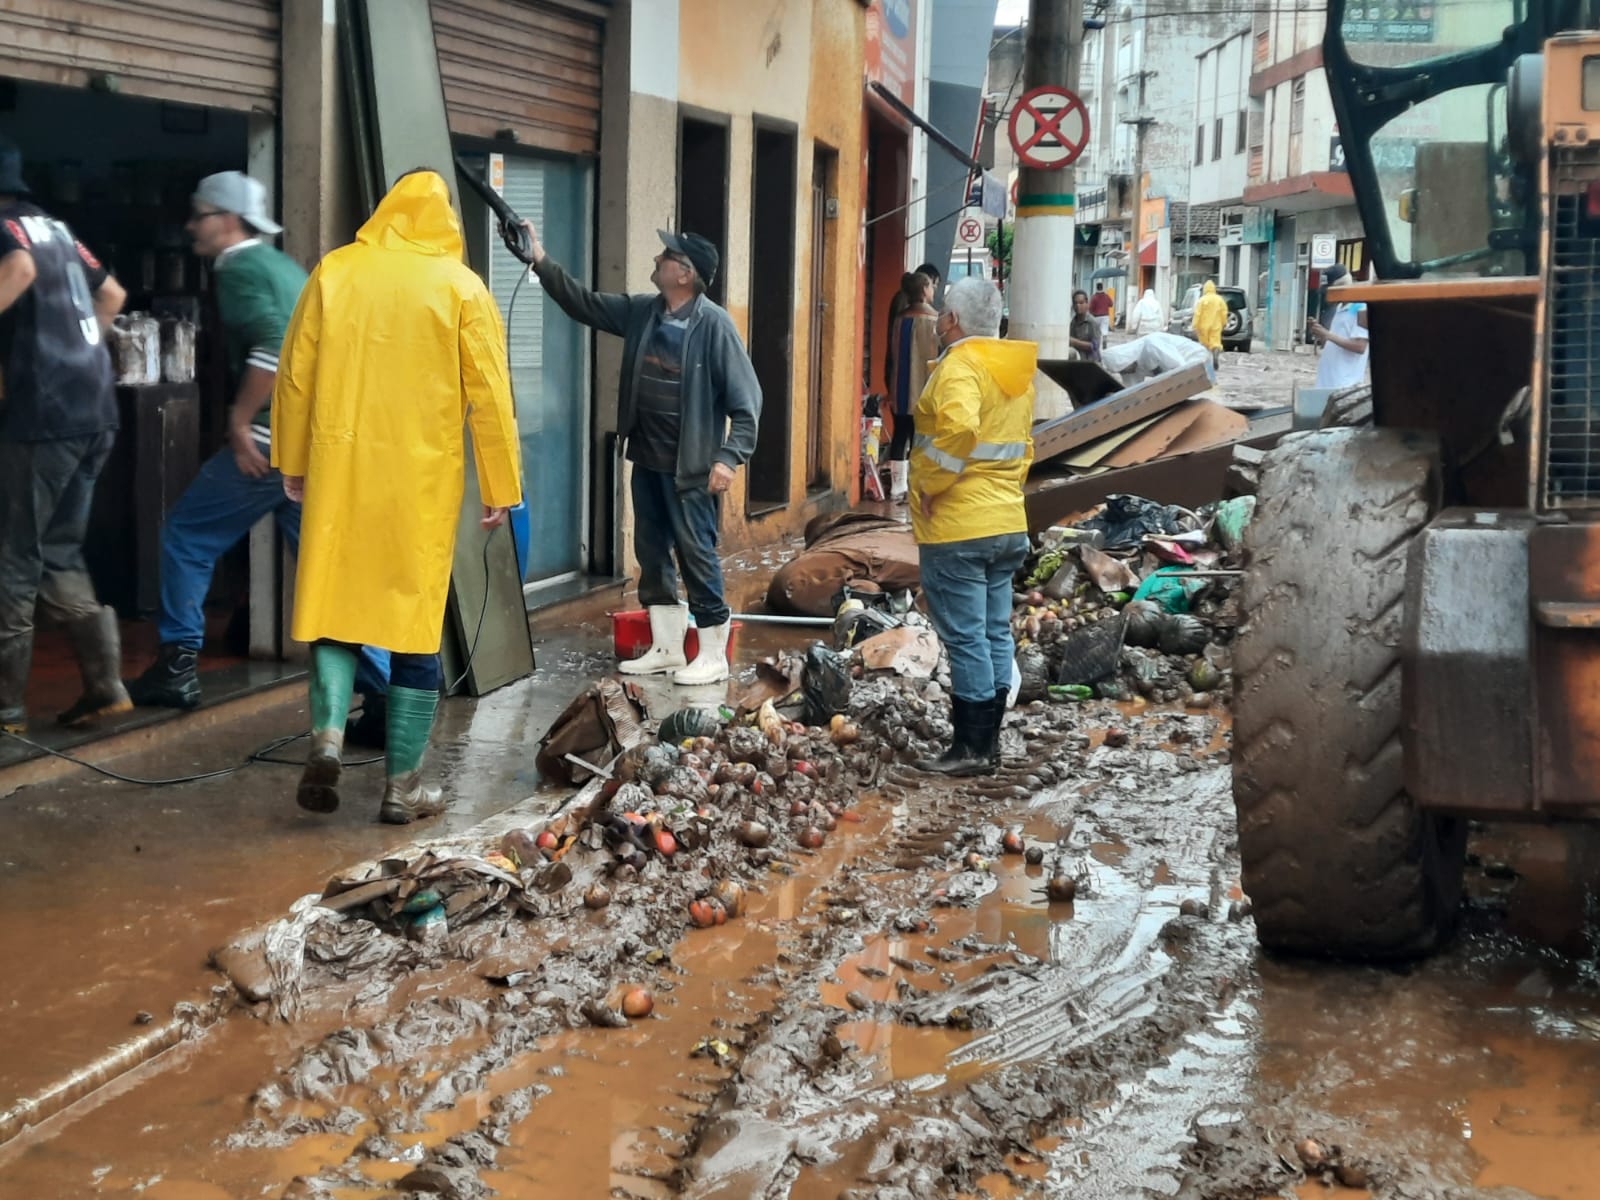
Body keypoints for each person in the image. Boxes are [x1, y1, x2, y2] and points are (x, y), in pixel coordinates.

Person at [271, 170, 522, 824]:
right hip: (420, 483)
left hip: (341, 468)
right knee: (414, 627)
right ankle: (401, 785)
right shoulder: (461, 287)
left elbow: (296, 373)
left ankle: (326, 736)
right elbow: (491, 396)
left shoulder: (335, 272)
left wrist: (292, 460)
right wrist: (501, 484)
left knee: (334, 606)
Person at [124, 172, 390, 734]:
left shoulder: (240, 269)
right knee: (324, 571)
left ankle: (176, 666)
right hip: (318, 441)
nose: (192, 225)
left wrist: (240, 421)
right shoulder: (281, 265)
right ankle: (386, 692)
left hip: (275, 440)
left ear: (227, 219)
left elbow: (273, 347)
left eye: (199, 214)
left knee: (187, 537)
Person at [524, 221, 761, 686]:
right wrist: (540, 260)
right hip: (648, 460)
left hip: (691, 469)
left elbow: (747, 401)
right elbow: (583, 304)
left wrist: (729, 456)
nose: (657, 261)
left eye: (666, 257)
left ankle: (713, 655)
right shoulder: (642, 312)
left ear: (686, 274)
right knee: (651, 552)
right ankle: (668, 647)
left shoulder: (714, 326)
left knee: (696, 556)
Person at [0, 141, 131, 734]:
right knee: (59, 549)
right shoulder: (53, 228)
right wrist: (81, 354)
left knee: (15, 556)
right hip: (94, 409)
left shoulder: (5, 231)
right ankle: (105, 688)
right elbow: (112, 294)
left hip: (43, 417)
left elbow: (18, 271)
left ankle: (5, 708)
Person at [908, 276, 1036, 776]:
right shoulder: (1015, 373)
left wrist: (931, 485)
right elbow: (1023, 447)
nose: (938, 321)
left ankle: (972, 748)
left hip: (959, 524)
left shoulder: (961, 365)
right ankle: (990, 738)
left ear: (953, 321)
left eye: (942, 313)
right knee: (992, 631)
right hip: (1006, 519)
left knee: (965, 638)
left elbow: (959, 431)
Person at [885, 271, 939, 502]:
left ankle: (897, 487)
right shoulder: (935, 322)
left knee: (900, 435)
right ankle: (917, 485)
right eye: (931, 287)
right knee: (921, 440)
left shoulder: (900, 319)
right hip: (926, 391)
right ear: (925, 290)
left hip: (900, 388)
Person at [885, 260, 941, 396]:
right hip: (921, 384)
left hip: (900, 380)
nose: (935, 290)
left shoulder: (901, 315)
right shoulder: (933, 320)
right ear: (925, 288)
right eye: (934, 286)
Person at [1310, 263, 1369, 389]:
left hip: (1344, 384)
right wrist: (1321, 334)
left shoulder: (1361, 308)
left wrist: (1328, 334)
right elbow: (1333, 343)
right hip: (1327, 382)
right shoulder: (1339, 307)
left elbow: (1360, 346)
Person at [1191, 279, 1228, 370]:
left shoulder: (1202, 300)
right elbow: (1224, 312)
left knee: (1204, 344)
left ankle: (1206, 361)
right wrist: (1224, 323)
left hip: (1203, 326)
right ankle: (1215, 356)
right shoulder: (1219, 300)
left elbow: (1197, 314)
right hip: (1216, 325)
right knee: (1215, 344)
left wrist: (1195, 325)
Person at [1069, 289, 1101, 362]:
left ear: (1087, 304)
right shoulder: (1073, 322)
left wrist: (1074, 342)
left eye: (1081, 303)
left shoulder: (1092, 322)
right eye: (1075, 303)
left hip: (1091, 363)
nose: (1078, 306)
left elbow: (1095, 346)